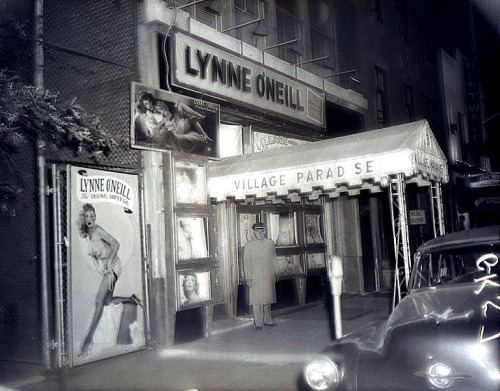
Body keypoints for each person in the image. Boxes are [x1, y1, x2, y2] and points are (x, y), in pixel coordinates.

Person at [77, 203, 143, 358]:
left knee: (98, 302)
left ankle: (88, 340)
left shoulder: (98, 230)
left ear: (95, 217)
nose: (90, 218)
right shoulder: (88, 235)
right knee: (106, 302)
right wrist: (99, 267)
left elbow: (116, 244)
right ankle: (131, 299)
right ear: (83, 219)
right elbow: (92, 255)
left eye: (92, 215)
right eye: (87, 216)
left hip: (114, 265)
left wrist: (108, 262)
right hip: (107, 268)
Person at [243, 222, 278, 330]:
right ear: (254, 232)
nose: (260, 233)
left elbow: (274, 259)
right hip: (255, 275)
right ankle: (258, 323)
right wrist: (248, 277)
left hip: (268, 274)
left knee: (268, 299)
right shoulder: (249, 245)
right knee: (256, 300)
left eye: (262, 231)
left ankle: (268, 320)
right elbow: (246, 262)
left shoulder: (270, 243)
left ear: (265, 232)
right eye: (257, 231)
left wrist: (276, 273)